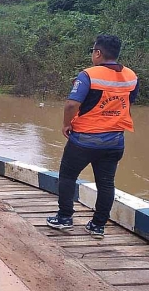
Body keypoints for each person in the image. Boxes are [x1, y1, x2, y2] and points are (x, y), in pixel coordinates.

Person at [46, 35, 139, 239]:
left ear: (98, 53)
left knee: (68, 176)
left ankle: (64, 218)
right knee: (106, 183)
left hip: (84, 140)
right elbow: (125, 101)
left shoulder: (88, 75)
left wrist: (66, 124)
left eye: (93, 51)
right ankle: (97, 226)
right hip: (114, 141)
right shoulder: (132, 76)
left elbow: (72, 105)